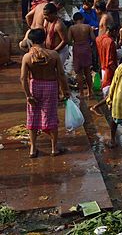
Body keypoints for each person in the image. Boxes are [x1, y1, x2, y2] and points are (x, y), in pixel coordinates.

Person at [20, 28, 69, 158]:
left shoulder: (27, 57)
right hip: (51, 86)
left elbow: (23, 78)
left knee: (33, 116)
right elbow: (61, 74)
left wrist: (28, 95)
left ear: (31, 40)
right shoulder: (53, 55)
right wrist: (65, 90)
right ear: (44, 38)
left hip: (34, 85)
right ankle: (54, 148)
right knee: (51, 115)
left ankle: (33, 148)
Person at [67, 12, 95, 99]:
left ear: (74, 20)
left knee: (79, 72)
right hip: (86, 47)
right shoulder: (88, 27)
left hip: (77, 48)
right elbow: (93, 38)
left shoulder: (72, 28)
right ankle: (90, 91)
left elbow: (68, 40)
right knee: (87, 71)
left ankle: (81, 93)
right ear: (82, 19)